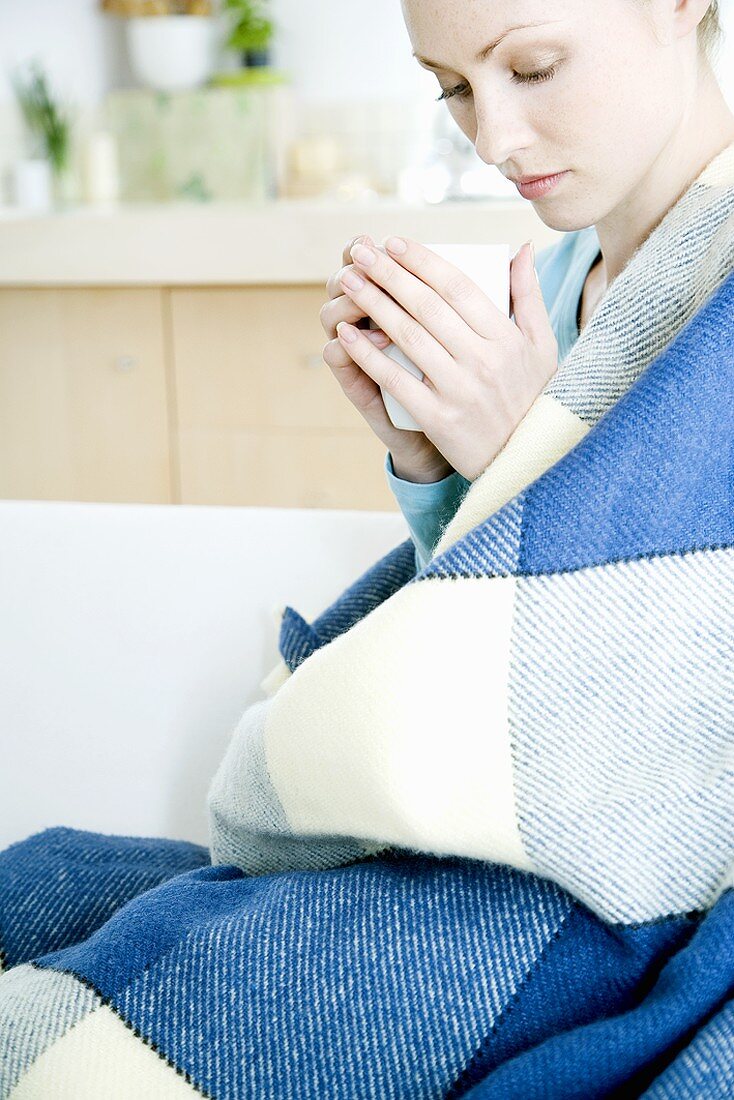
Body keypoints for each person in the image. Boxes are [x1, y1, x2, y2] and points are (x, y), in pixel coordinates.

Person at [319, 0, 733, 571]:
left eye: (534, 68)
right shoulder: (547, 288)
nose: (491, 143)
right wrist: (436, 467)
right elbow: (478, 630)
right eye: (454, 87)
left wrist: (524, 456)